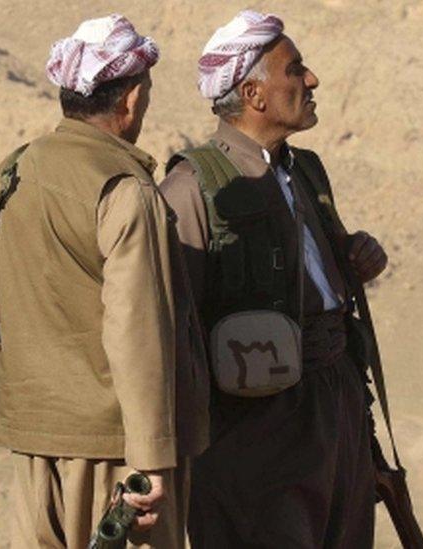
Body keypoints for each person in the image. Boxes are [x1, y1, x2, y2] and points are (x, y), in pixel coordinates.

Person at [0, 14, 209, 548]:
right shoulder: (126, 191)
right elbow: (137, 335)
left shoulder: (19, 165)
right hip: (112, 449)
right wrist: (153, 462)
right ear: (131, 98)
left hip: (35, 437)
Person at [159, 10, 388, 548]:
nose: (311, 81)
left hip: (336, 406)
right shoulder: (191, 188)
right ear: (254, 93)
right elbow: (171, 328)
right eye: (296, 70)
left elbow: (310, 269)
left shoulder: (305, 170)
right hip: (255, 430)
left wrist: (353, 258)